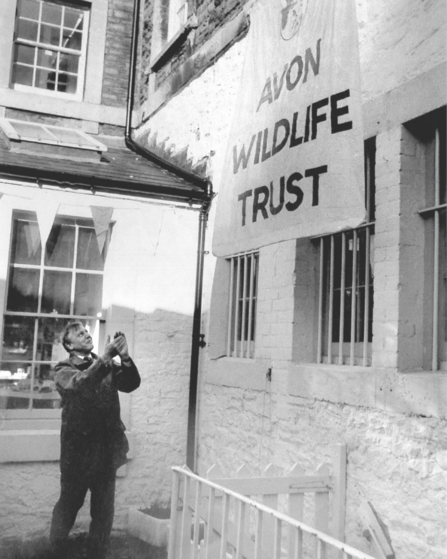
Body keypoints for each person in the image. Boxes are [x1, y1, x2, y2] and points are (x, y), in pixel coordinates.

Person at [49, 321, 141, 558]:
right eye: (79, 334)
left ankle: (97, 554)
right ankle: (54, 551)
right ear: (69, 345)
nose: (86, 334)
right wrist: (106, 358)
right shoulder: (62, 369)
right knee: (68, 508)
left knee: (103, 513)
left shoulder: (104, 364)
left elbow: (131, 385)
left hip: (105, 454)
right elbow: (81, 384)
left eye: (86, 331)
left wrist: (125, 358)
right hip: (77, 457)